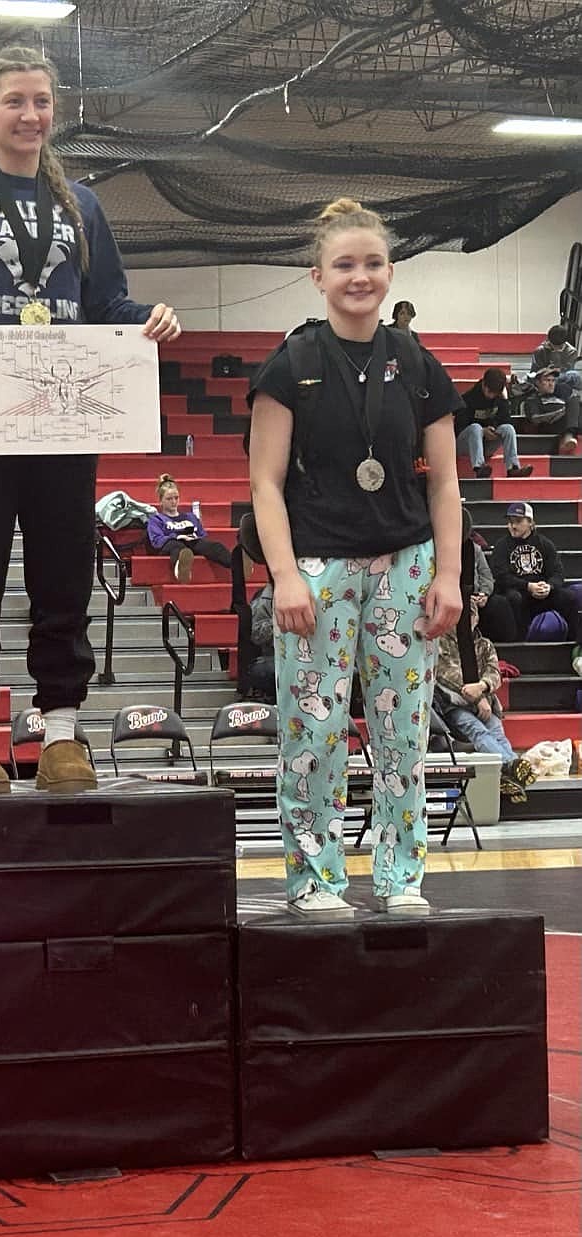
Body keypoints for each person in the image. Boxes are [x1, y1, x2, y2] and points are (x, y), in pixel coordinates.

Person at [0, 44, 181, 795]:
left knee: (63, 573)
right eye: (15, 101)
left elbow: (106, 303)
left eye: (42, 102)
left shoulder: (82, 204)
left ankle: (61, 732)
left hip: (64, 412)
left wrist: (149, 319)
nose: (30, 115)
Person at [248, 197, 463, 919]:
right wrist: (283, 575)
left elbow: (447, 483)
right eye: (345, 264)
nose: (359, 276)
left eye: (372, 263)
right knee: (314, 730)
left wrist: (451, 576)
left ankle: (402, 877)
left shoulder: (418, 362)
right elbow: (263, 483)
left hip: (406, 561)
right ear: (318, 276)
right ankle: (316, 878)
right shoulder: (291, 364)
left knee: (405, 729)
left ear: (390, 271)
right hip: (318, 566)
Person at [434, 604, 535, 803]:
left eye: (471, 615)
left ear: (476, 619)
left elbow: (494, 673)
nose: (467, 620)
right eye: (463, 616)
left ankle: (509, 776)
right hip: (453, 705)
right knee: (478, 730)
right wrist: (478, 697)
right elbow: (446, 675)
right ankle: (511, 766)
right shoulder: (441, 643)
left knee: (496, 731)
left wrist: (482, 686)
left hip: (485, 704)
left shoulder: (485, 644)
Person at [489, 500, 582, 660]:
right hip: (517, 591)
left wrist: (549, 586)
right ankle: (520, 648)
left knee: (569, 598)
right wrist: (527, 586)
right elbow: (501, 576)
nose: (513, 526)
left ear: (530, 523)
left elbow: (558, 573)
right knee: (513, 598)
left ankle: (572, 646)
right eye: (510, 522)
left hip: (541, 591)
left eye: (518, 522)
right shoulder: (501, 546)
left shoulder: (545, 544)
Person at [147, 473, 232, 583]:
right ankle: (180, 570)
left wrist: (193, 537)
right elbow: (157, 541)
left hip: (192, 542)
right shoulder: (157, 519)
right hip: (172, 545)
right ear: (161, 500)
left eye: (176, 498)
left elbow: (202, 536)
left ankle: (236, 565)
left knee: (215, 546)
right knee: (179, 548)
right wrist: (176, 536)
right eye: (169, 499)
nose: (173, 502)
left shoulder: (190, 517)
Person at [454, 367, 533, 478]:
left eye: (495, 393)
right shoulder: (467, 399)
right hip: (466, 443)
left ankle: (513, 468)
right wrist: (483, 431)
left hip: (487, 443)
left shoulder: (500, 398)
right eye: (490, 392)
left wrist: (493, 429)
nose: (491, 395)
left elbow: (506, 420)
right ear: (483, 384)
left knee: (508, 428)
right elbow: (459, 428)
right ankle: (479, 467)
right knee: (476, 428)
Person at [520, 367, 579, 455]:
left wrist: (563, 412)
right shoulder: (532, 400)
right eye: (547, 380)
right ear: (538, 383)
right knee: (573, 401)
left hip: (569, 421)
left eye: (553, 381)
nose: (551, 384)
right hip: (551, 426)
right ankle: (568, 436)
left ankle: (570, 433)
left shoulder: (561, 397)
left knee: (574, 401)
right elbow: (535, 419)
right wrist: (557, 414)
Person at [530, 324, 582, 402]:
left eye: (560, 347)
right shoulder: (540, 350)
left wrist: (555, 367)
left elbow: (567, 371)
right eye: (554, 346)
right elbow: (535, 371)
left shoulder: (571, 351)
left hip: (561, 377)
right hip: (544, 378)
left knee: (574, 375)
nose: (557, 349)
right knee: (533, 379)